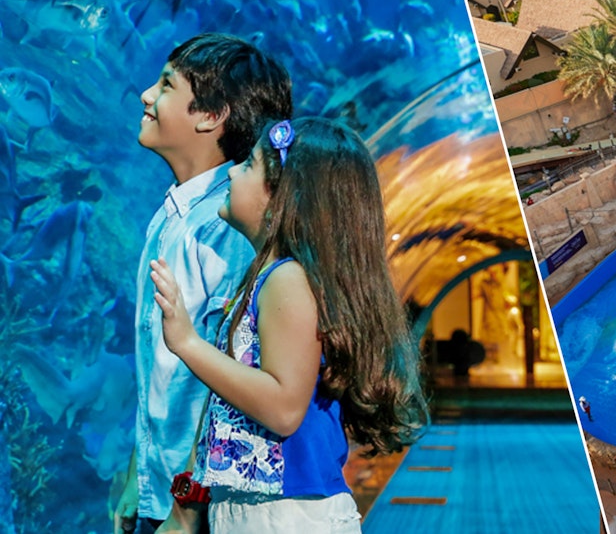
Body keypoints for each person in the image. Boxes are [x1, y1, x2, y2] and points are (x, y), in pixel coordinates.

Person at [151, 117, 427, 532]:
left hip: (286, 515)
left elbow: (282, 409)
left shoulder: (287, 280)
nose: (230, 171)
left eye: (248, 166)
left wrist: (188, 343)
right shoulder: (272, 278)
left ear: (282, 198)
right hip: (268, 511)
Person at [115, 33, 293, 534]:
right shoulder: (174, 214)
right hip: (163, 491)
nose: (147, 95)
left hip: (199, 507)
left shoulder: (227, 227)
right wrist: (139, 477)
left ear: (211, 115)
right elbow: (161, 372)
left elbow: (233, 378)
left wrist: (188, 506)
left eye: (166, 85)